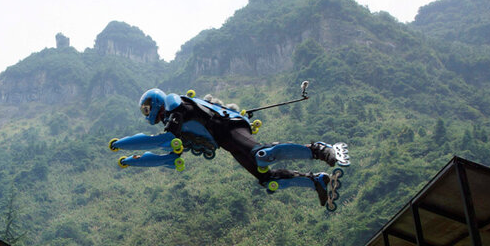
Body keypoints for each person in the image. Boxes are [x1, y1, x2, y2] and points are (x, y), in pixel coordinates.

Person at [109, 88, 349, 207]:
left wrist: (120, 144)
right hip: (226, 142)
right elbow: (167, 158)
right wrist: (131, 160)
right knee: (267, 179)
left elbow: (158, 141)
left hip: (229, 126)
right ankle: (316, 181)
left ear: (156, 102)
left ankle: (319, 149)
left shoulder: (175, 105)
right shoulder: (174, 129)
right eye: (144, 112)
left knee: (262, 155)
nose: (147, 113)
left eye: (147, 108)